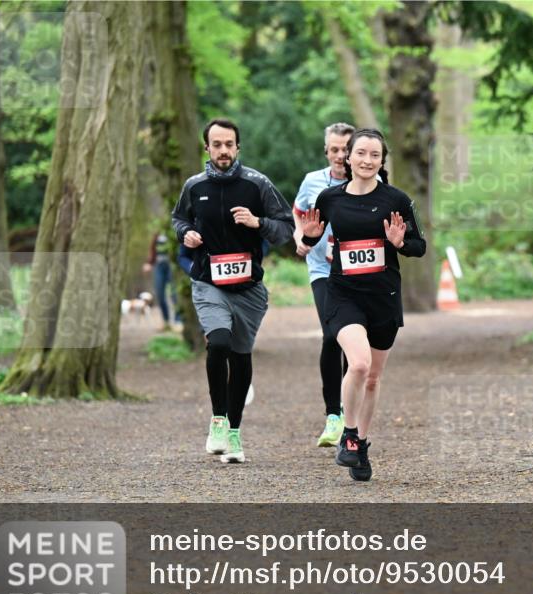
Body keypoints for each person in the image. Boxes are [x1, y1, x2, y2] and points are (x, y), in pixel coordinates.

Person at [299, 128, 426, 481]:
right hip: (343, 294)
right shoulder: (329, 198)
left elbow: (420, 246)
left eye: (375, 155)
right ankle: (349, 434)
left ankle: (362, 444)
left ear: (382, 160)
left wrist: (400, 243)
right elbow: (310, 238)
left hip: (383, 297)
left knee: (372, 378)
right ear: (347, 157)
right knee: (357, 364)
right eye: (361, 154)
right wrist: (309, 238)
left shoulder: (396, 200)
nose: (368, 160)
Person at [172, 118, 293, 463]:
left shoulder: (258, 184)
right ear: (206, 148)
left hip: (249, 289)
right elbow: (179, 218)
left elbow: (285, 228)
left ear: (238, 147)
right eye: (217, 144)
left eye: (229, 144)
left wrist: (258, 223)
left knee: (240, 357)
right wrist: (186, 234)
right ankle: (218, 420)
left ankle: (235, 433)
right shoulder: (194, 186)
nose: (223, 151)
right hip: (209, 283)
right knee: (219, 342)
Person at [292, 122, 354, 448]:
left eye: (346, 149)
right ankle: (334, 415)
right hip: (322, 269)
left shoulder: (373, 181)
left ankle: (350, 413)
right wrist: (299, 238)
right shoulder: (312, 181)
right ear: (326, 151)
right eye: (334, 150)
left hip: (358, 273)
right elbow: (299, 212)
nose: (340, 156)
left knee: (354, 342)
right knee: (333, 334)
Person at [143, 232, 175, 331]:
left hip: (171, 266)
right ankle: (166, 322)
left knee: (175, 294)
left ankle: (178, 322)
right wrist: (149, 263)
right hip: (159, 267)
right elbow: (152, 250)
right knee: (160, 294)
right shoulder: (156, 233)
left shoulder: (173, 228)